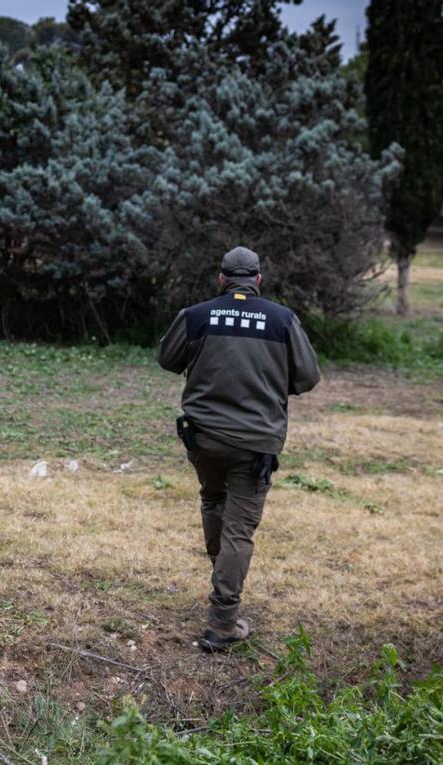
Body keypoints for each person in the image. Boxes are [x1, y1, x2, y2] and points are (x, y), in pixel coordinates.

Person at [157, 246, 320, 652]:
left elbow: (168, 359)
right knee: (239, 530)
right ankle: (222, 623)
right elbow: (307, 377)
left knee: (213, 500)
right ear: (259, 280)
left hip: (205, 438)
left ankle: (223, 579)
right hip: (256, 444)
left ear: (222, 279)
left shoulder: (196, 316)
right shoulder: (283, 320)